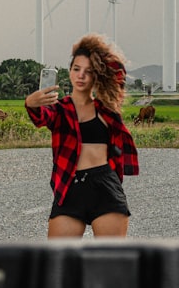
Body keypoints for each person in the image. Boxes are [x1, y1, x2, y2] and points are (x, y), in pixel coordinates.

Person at [24, 33, 139, 238]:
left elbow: (118, 72)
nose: (81, 75)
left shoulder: (107, 108)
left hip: (104, 186)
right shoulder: (59, 109)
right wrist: (31, 103)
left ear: (97, 74)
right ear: (69, 72)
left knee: (109, 263)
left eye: (88, 71)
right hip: (70, 186)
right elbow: (41, 117)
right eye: (76, 69)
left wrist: (93, 51)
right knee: (59, 263)